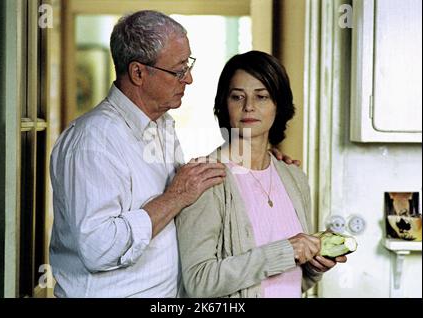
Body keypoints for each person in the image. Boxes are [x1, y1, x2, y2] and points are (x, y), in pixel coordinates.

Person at [49, 11, 294, 298]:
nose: (188, 79)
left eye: (188, 65)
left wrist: (263, 162)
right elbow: (98, 247)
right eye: (178, 70)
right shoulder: (92, 141)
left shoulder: (159, 125)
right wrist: (175, 197)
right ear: (138, 72)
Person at [176, 51, 347, 298]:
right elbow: (199, 282)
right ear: (224, 104)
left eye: (262, 97)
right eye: (237, 97)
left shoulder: (294, 177)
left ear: (279, 105)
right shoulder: (205, 178)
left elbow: (290, 281)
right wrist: (285, 252)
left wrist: (313, 267)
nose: (249, 107)